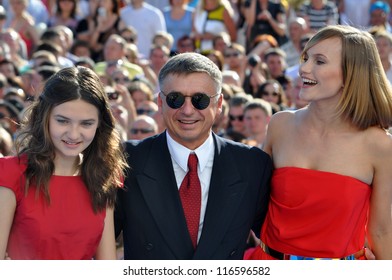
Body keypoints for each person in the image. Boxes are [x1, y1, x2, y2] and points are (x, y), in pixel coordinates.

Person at [248, 25, 392, 260]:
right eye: (305, 58)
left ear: (350, 74)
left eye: (319, 61)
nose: (303, 68)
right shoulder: (280, 125)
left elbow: (382, 230)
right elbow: (253, 205)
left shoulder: (380, 145)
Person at [114, 52, 272, 260]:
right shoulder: (127, 159)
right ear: (160, 103)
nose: (187, 110)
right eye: (175, 99)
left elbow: (278, 241)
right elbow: (94, 238)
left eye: (200, 100)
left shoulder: (251, 165)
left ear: (218, 104)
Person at [0, 66, 128, 260]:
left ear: (100, 125)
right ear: (45, 118)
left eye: (86, 123)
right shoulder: (10, 173)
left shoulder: (104, 177)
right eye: (63, 121)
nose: (74, 134)